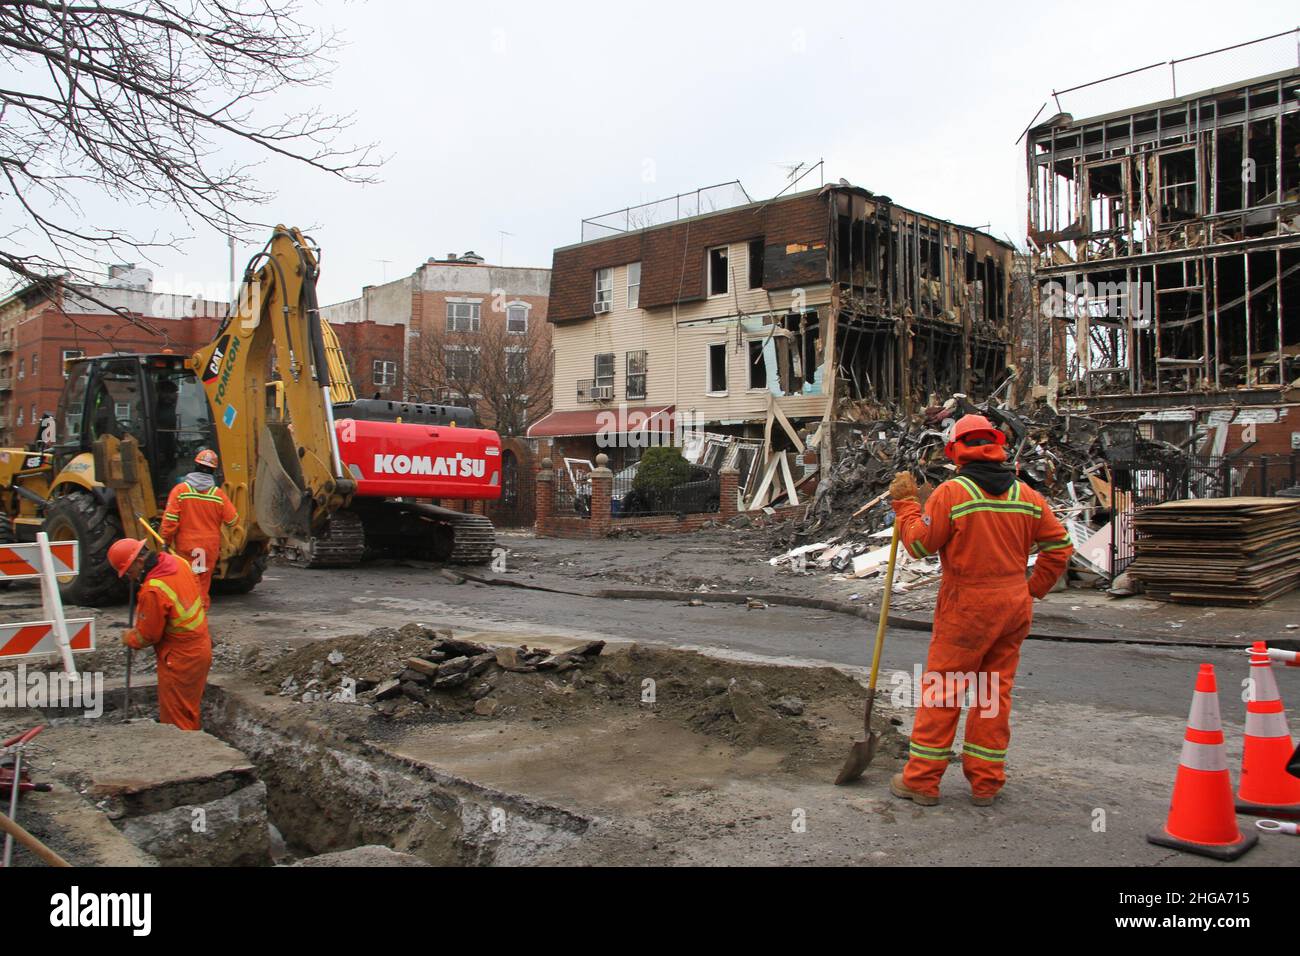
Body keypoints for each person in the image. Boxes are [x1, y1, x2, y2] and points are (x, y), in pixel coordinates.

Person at [886, 413, 1074, 807]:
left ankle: (921, 780)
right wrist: (1031, 590)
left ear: (955, 451)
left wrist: (905, 507)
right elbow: (1060, 547)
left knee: (943, 690)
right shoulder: (1027, 496)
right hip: (1012, 606)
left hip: (967, 607)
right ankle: (986, 782)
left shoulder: (953, 493)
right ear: (998, 450)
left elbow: (920, 546)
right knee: (992, 693)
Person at [109, 538, 212, 731]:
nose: (130, 578)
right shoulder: (178, 561)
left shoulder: (154, 590)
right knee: (188, 708)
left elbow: (147, 636)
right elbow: (197, 585)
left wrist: (129, 638)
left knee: (177, 717)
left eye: (129, 572)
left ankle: (184, 754)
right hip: (199, 646)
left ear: (138, 562)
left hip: (180, 658)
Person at [160, 449, 237, 608]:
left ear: (195, 465)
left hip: (186, 546)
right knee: (201, 582)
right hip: (208, 548)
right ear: (213, 471)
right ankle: (199, 617)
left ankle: (187, 616)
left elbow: (170, 522)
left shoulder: (180, 491)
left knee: (186, 581)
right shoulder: (218, 495)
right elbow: (233, 520)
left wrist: (165, 542)